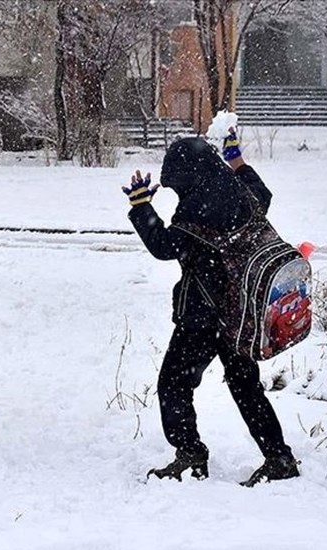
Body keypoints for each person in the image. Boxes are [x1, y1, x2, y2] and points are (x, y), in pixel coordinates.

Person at [123, 131, 299, 487]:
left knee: (173, 384)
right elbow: (262, 191)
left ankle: (190, 456)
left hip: (203, 317)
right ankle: (279, 457)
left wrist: (141, 206)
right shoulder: (241, 194)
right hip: (240, 314)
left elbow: (164, 245)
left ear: (189, 175)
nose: (177, 193)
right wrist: (236, 159)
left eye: (177, 185)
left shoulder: (198, 208)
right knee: (246, 387)